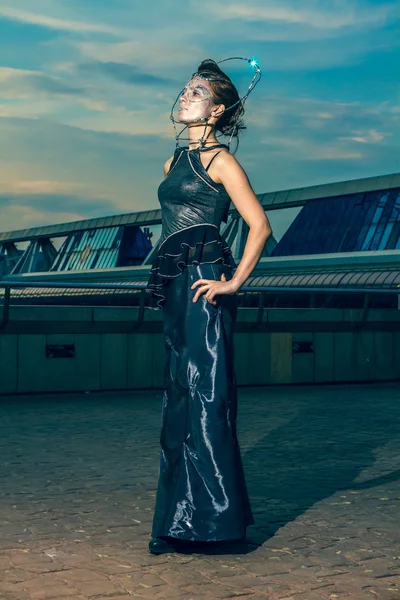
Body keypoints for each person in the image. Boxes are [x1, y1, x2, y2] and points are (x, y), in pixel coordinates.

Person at [146, 58, 272, 555]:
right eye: (185, 89)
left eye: (196, 92)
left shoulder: (221, 161)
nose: (184, 96)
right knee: (179, 400)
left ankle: (216, 527)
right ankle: (177, 523)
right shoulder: (172, 162)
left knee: (207, 400)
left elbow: (258, 225)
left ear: (217, 111)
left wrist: (233, 282)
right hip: (177, 289)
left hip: (203, 284)